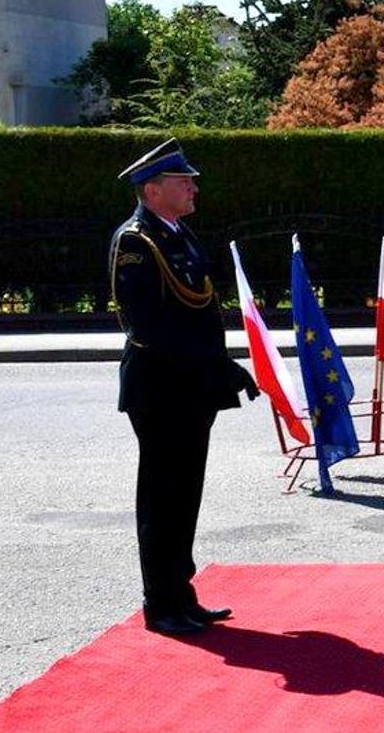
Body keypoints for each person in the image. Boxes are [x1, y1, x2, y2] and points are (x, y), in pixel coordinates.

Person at [108, 139, 259, 637]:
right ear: (152, 191)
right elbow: (149, 326)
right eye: (183, 182)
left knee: (184, 494)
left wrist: (222, 367)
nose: (193, 187)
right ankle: (161, 603)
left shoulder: (180, 235)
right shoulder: (136, 242)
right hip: (160, 389)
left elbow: (196, 315)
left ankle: (182, 593)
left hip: (190, 388)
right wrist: (214, 367)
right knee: (162, 496)